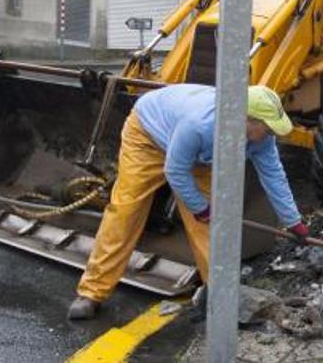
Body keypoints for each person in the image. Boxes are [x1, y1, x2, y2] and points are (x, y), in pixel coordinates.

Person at [68, 84, 310, 320]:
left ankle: (221, 298)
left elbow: (274, 176)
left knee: (209, 228)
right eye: (268, 129)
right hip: (148, 137)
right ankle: (92, 292)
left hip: (199, 155)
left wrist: (293, 221)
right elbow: (175, 171)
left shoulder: (261, 138)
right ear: (247, 119)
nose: (271, 135)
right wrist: (201, 207)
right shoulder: (200, 125)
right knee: (125, 211)